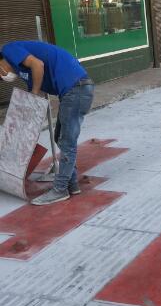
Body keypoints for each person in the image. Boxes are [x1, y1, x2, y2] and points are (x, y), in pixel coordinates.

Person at [0, 41, 94, 205]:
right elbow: (34, 92)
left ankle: (60, 189)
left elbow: (38, 64)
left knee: (67, 141)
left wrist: (35, 94)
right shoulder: (23, 71)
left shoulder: (9, 50)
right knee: (61, 138)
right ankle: (71, 184)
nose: (3, 77)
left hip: (77, 88)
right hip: (73, 91)